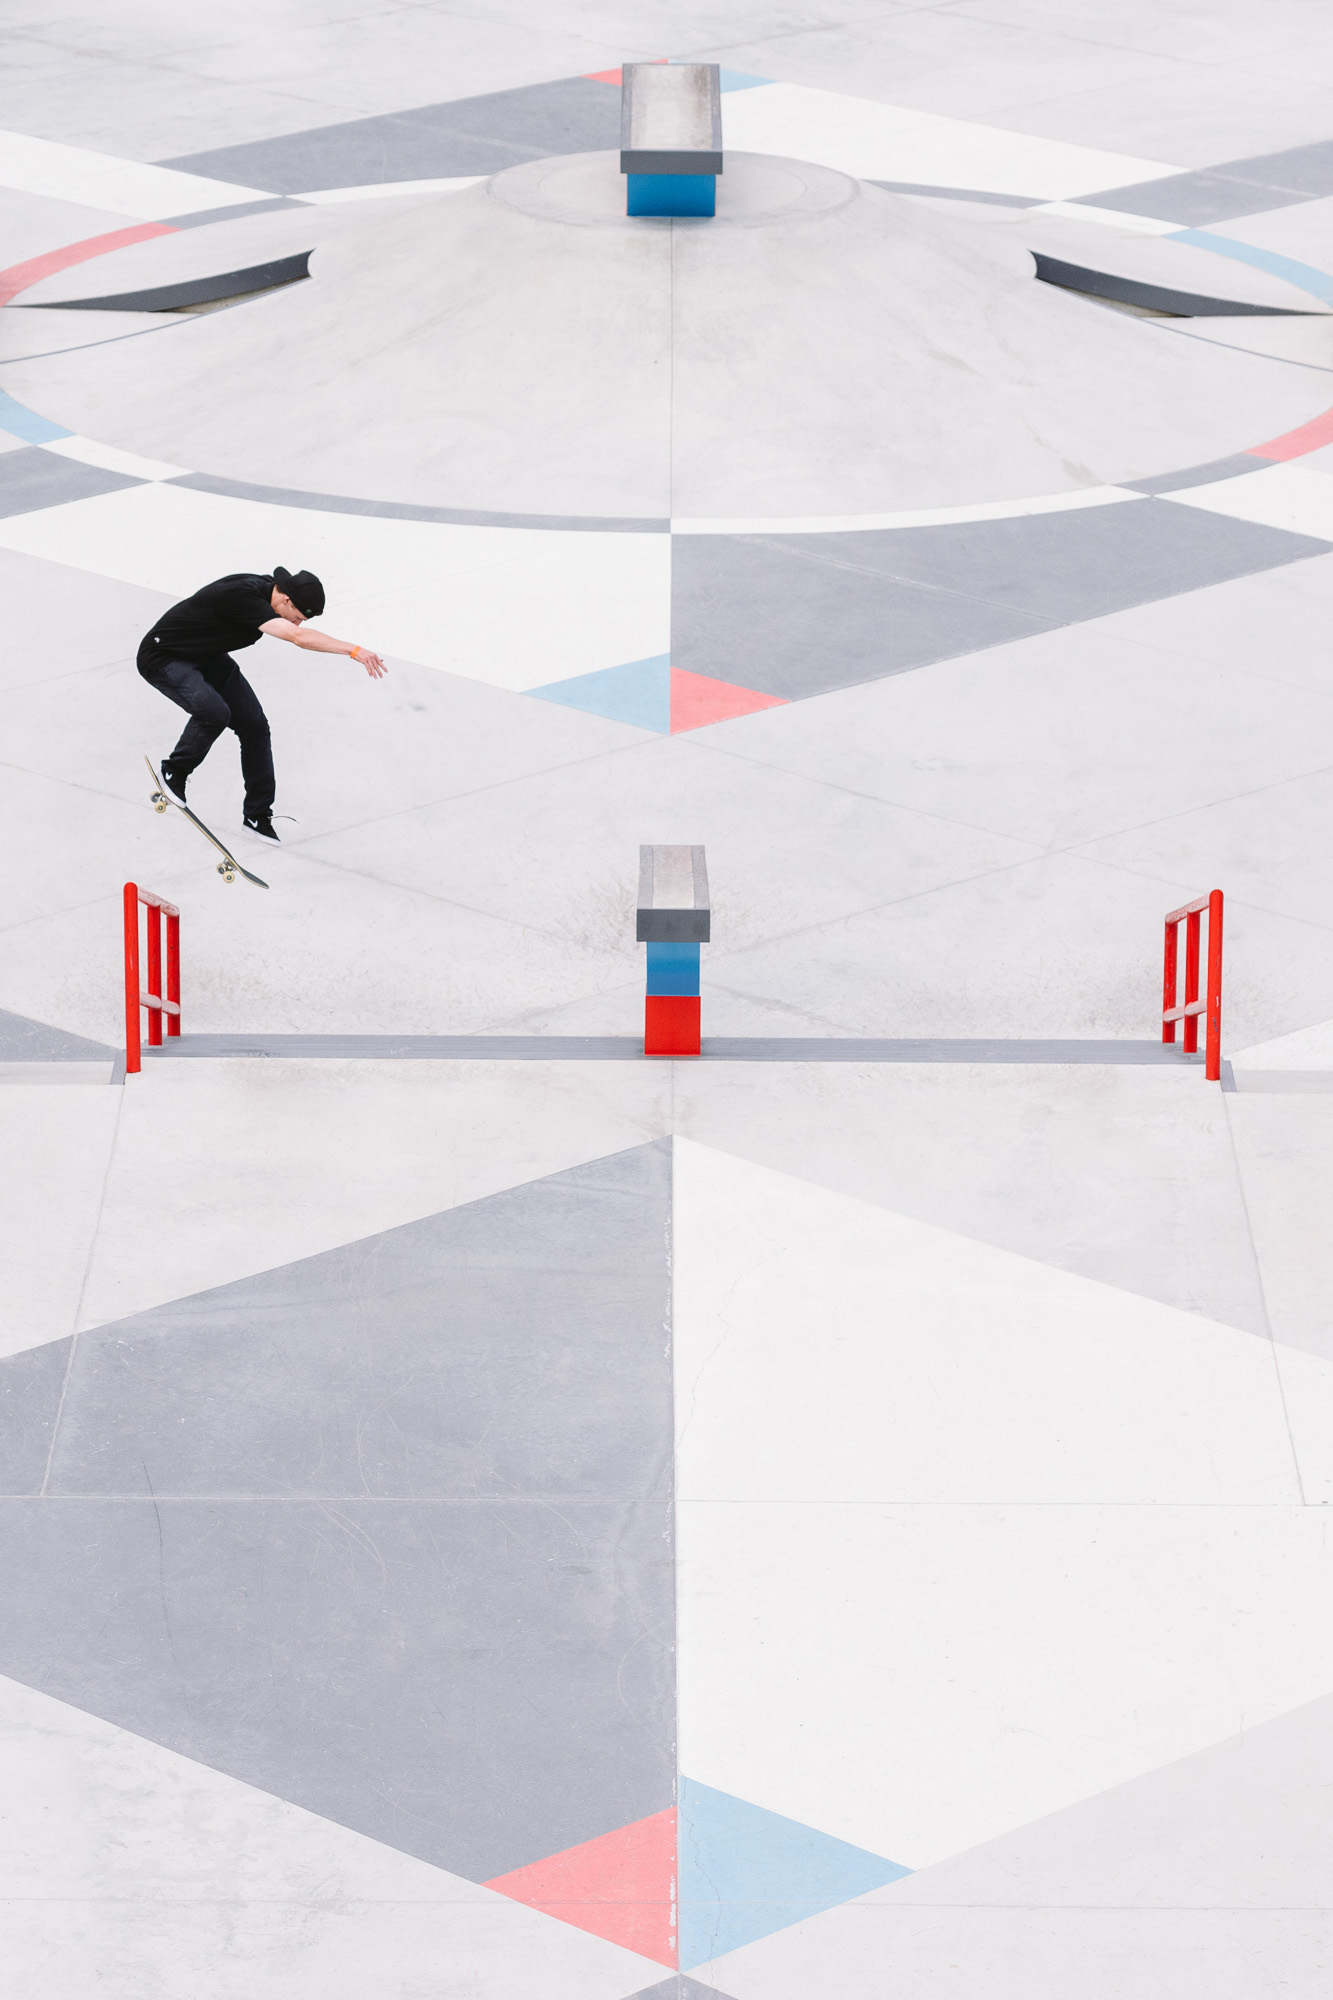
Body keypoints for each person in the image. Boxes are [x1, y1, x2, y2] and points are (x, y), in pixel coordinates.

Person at [137, 566, 386, 840]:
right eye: (298, 618)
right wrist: (354, 650)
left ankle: (257, 815)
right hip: (164, 656)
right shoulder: (243, 597)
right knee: (215, 713)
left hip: (207, 656)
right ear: (286, 600)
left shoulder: (271, 594)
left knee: (254, 726)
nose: (297, 624)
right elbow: (298, 638)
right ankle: (173, 772)